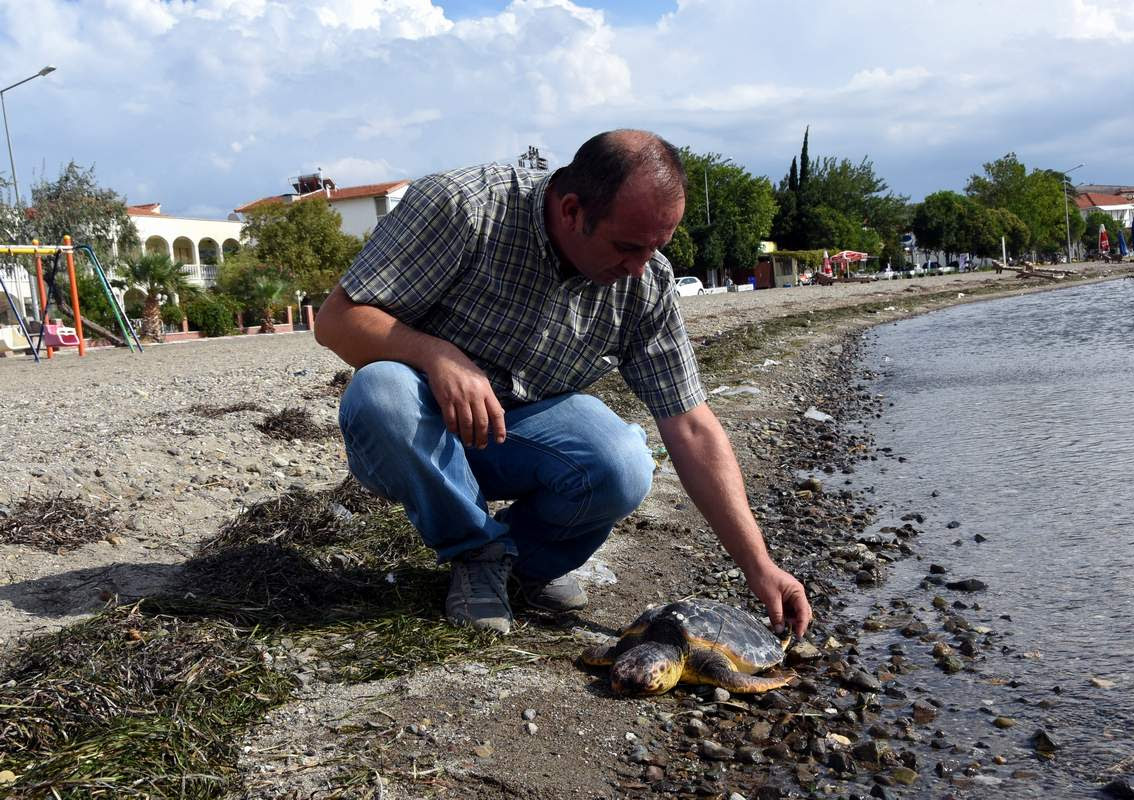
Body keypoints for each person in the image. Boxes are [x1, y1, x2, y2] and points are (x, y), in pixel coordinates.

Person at [315, 130, 812, 638]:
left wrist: (759, 565)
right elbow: (335, 321)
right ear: (572, 211)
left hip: (516, 441)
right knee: (381, 393)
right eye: (627, 247)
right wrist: (436, 354)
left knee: (622, 462)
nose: (639, 268)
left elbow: (690, 426)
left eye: (656, 248)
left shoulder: (644, 280)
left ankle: (526, 564)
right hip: (420, 437)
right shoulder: (464, 208)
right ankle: (476, 554)